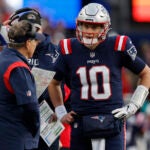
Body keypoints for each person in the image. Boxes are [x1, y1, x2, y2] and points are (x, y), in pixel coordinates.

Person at [48, 3, 150, 150]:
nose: (89, 31)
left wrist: (133, 105)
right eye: (85, 25)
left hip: (113, 119)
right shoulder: (68, 48)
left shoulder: (118, 45)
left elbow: (146, 73)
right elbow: (53, 83)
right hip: (80, 120)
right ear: (78, 25)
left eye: (94, 27)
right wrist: (61, 111)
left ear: (105, 27)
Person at [7, 7, 60, 150]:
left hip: (48, 119)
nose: (34, 34)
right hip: (20, 118)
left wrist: (61, 109)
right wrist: (5, 31)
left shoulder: (56, 52)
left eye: (37, 29)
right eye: (30, 29)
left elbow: (69, 84)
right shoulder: (12, 50)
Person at [0, 20, 44, 150]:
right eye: (35, 41)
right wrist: (36, 128)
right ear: (28, 43)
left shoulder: (2, 59)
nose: (36, 44)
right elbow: (30, 108)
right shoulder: (17, 66)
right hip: (15, 138)